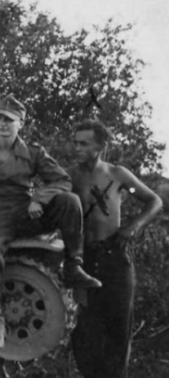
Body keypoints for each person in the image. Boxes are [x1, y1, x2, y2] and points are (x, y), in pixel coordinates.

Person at [0, 94, 101, 350]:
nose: (2, 124)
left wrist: (39, 199)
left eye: (9, 120)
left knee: (70, 201)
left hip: (25, 213)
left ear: (20, 123)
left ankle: (74, 265)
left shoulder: (33, 152)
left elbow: (62, 180)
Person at [67, 120, 162, 378]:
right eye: (75, 142)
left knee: (118, 333)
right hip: (83, 262)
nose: (77, 147)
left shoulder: (117, 175)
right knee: (84, 335)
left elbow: (154, 201)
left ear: (99, 146)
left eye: (83, 143)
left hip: (115, 259)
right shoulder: (71, 176)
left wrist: (133, 227)